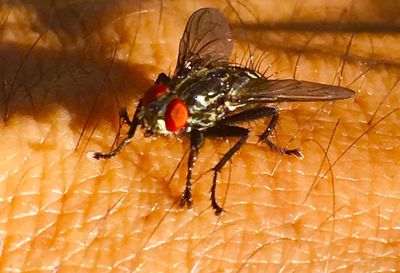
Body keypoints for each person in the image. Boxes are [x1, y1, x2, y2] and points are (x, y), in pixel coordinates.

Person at [0, 1, 398, 272]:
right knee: (170, 105)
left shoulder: (216, 114)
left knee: (255, 122)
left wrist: (202, 178)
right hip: (202, 80)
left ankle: (228, 167)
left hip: (238, 92)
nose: (157, 118)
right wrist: (127, 137)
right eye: (161, 105)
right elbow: (161, 87)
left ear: (182, 114)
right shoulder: (168, 93)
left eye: (166, 116)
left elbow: (222, 127)